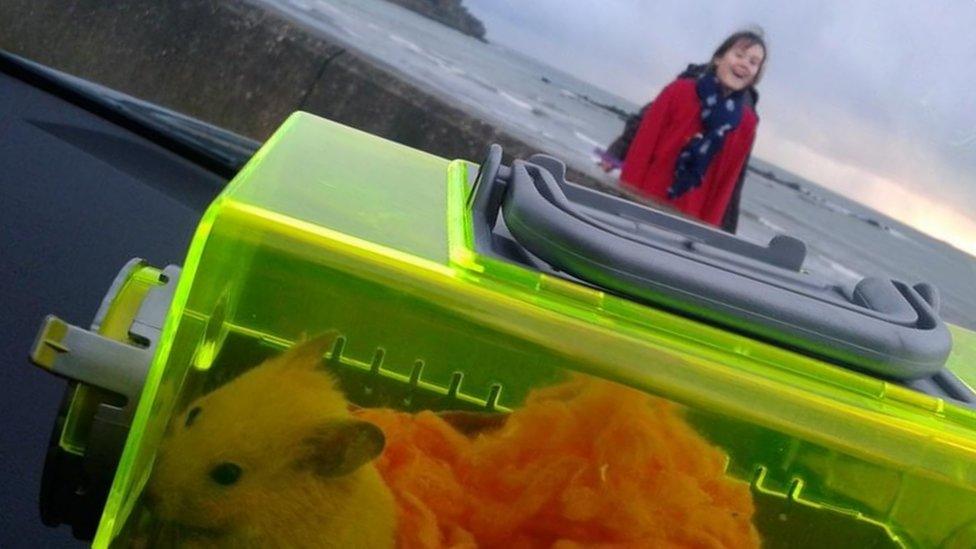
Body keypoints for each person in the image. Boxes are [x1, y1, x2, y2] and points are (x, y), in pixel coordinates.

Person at [619, 30, 767, 233]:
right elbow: (641, 151)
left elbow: (724, 187)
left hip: (689, 224)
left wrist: (705, 236)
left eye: (753, 62)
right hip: (643, 203)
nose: (744, 64)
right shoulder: (678, 91)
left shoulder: (746, 124)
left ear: (755, 76)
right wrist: (624, 203)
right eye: (739, 55)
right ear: (718, 58)